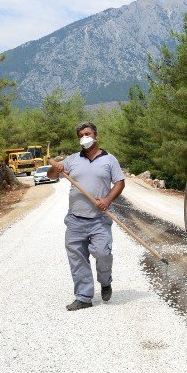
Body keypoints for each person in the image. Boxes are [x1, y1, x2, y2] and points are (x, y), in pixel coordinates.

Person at [48, 121, 125, 311]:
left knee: (102, 253)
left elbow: (120, 183)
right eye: (81, 135)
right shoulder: (72, 160)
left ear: (96, 136)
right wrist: (55, 168)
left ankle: (105, 281)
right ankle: (83, 297)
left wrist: (107, 200)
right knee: (78, 258)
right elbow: (51, 175)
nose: (85, 137)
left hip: (99, 219)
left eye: (88, 133)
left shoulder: (109, 159)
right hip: (75, 219)